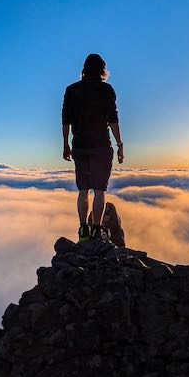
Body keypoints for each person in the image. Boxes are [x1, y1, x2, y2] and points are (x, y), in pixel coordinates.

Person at [61, 53, 124, 242]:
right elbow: (113, 119)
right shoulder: (106, 90)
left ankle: (83, 230)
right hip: (101, 147)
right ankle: (96, 229)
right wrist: (120, 144)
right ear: (102, 70)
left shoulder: (72, 90)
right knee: (99, 191)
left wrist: (65, 145)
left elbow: (66, 121)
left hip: (79, 146)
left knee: (83, 190)